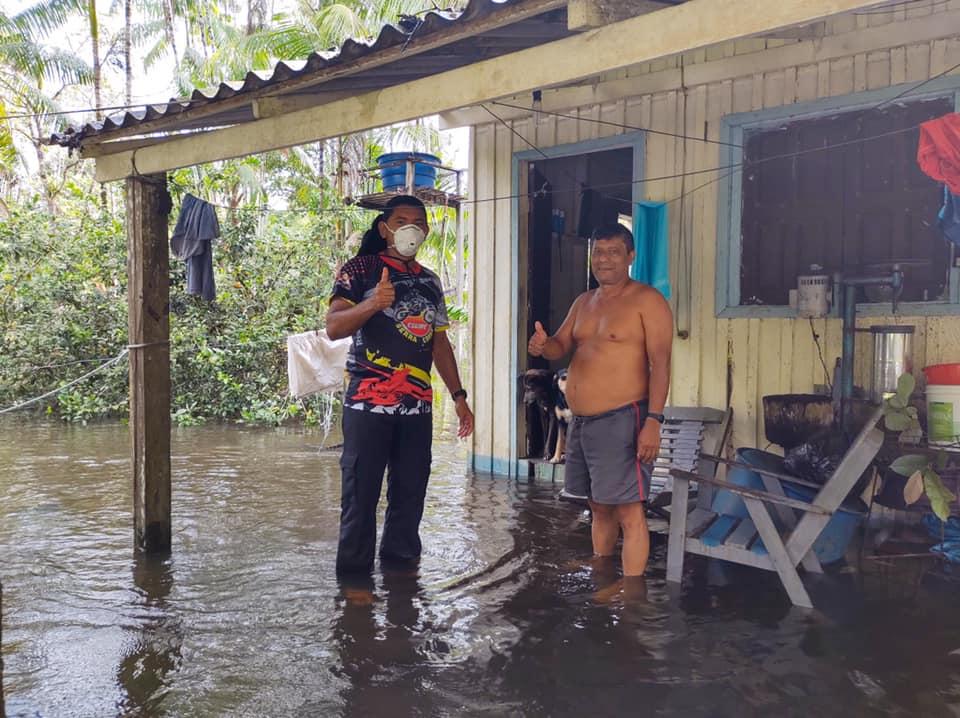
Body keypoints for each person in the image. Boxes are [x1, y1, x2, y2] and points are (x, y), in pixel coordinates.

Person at [326, 195, 474, 575]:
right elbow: (334, 327)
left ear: (425, 230)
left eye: (418, 221)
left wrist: (459, 398)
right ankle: (355, 585)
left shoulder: (429, 280)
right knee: (360, 497)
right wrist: (374, 302)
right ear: (384, 228)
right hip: (366, 408)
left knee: (409, 497)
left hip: (417, 409)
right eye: (402, 220)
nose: (411, 227)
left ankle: (403, 581)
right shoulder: (359, 269)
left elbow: (439, 342)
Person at [528, 223, 672, 577]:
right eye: (598, 252)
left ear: (630, 257)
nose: (603, 259)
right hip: (583, 422)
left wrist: (654, 421)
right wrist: (544, 346)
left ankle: (632, 596)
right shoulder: (584, 302)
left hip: (625, 418)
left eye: (613, 252)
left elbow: (662, 364)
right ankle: (603, 571)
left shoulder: (647, 300)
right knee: (598, 505)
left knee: (628, 509)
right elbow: (561, 345)